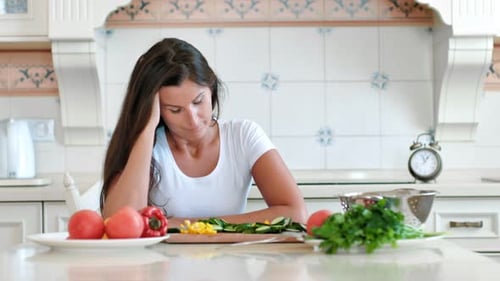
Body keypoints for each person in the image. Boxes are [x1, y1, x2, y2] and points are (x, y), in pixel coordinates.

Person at [100, 38, 307, 227]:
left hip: (232, 265)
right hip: (160, 266)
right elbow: (118, 222)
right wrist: (146, 128)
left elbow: (295, 213)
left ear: (212, 89)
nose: (193, 120)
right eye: (175, 110)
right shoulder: (146, 147)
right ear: (157, 110)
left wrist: (188, 225)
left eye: (198, 101)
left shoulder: (243, 136)